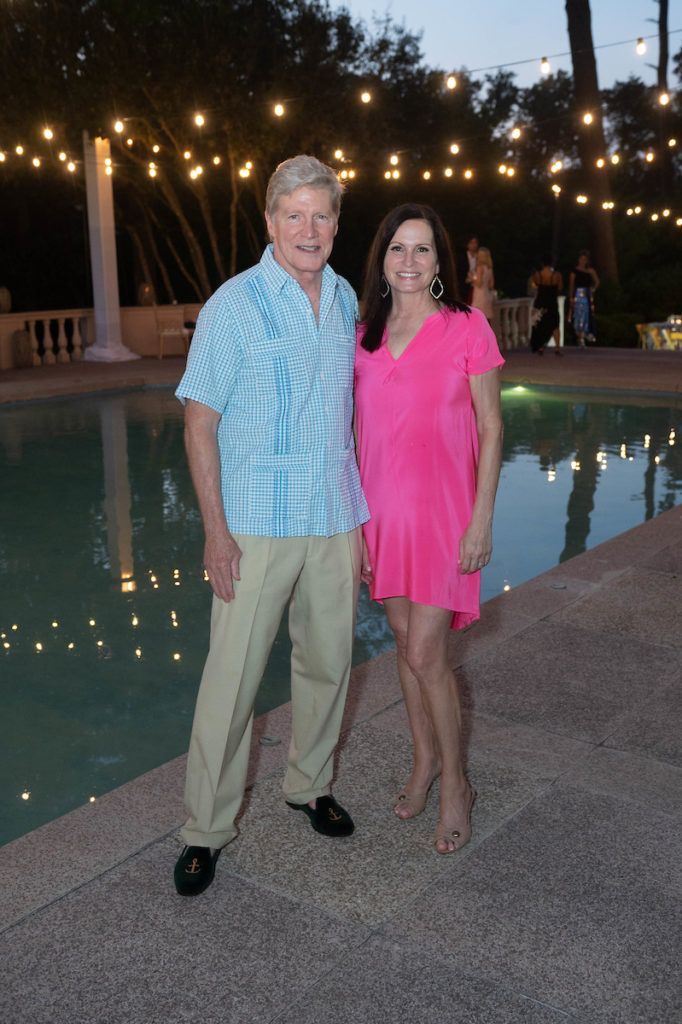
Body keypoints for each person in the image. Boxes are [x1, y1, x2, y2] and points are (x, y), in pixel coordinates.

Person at [173, 155, 369, 897]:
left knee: (328, 662)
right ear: (270, 222)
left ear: (336, 224)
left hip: (333, 514)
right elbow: (199, 423)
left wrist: (363, 517)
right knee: (232, 681)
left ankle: (309, 784)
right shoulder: (234, 304)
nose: (309, 230)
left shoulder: (348, 298)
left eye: (321, 215)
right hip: (254, 524)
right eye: (295, 215)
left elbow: (355, 413)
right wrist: (215, 532)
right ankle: (204, 830)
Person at [354, 204, 504, 855]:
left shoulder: (467, 328)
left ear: (440, 263)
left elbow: (493, 427)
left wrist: (481, 520)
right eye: (398, 250)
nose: (409, 262)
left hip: (445, 519)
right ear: (382, 262)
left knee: (425, 654)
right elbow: (357, 433)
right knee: (400, 642)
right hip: (381, 517)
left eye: (421, 251)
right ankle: (423, 762)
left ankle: (456, 786)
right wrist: (357, 525)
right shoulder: (362, 336)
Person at [530, 254, 563, 356]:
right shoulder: (556, 275)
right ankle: (557, 347)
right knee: (555, 324)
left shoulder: (537, 275)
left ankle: (540, 346)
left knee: (541, 324)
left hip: (540, 302)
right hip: (552, 302)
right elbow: (560, 287)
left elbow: (534, 285)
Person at [568, 250, 599, 346]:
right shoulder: (575, 271)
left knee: (587, 315)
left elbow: (597, 281)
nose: (582, 261)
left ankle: (585, 334)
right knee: (579, 315)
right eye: (581, 259)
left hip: (587, 295)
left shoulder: (590, 271)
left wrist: (593, 289)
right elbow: (571, 285)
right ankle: (580, 337)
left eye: (584, 259)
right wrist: (571, 297)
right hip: (578, 294)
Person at [470, 246, 495, 323]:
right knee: (486, 321)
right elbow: (491, 285)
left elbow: (479, 283)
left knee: (477, 320)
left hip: (480, 296)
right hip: (487, 295)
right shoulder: (489, 268)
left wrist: (472, 278)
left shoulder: (480, 268)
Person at [458, 235, 478, 303]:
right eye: (471, 243)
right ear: (468, 245)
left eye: (475, 242)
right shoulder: (462, 257)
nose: (473, 245)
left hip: (476, 286)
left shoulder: (479, 257)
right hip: (463, 286)